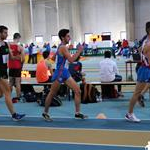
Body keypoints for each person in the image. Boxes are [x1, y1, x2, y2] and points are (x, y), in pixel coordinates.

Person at [42, 29, 87, 121]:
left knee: (78, 91)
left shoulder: (61, 47)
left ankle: (77, 113)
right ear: (62, 37)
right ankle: (45, 113)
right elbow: (71, 60)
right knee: (52, 94)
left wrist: (65, 53)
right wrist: (79, 51)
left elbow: (54, 58)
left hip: (65, 72)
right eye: (68, 36)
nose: (69, 38)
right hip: (59, 73)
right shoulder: (63, 47)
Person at [125, 22, 150, 122]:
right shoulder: (147, 41)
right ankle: (129, 114)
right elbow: (143, 51)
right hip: (145, 69)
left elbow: (140, 50)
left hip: (147, 68)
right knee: (137, 93)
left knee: (138, 93)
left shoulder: (146, 40)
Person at [0, 25, 25, 121]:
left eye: (7, 32)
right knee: (7, 92)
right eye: (5, 32)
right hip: (0, 73)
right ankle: (14, 115)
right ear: (0, 33)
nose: (7, 34)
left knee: (1, 94)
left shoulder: (6, 45)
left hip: (4, 71)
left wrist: (20, 57)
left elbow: (11, 57)